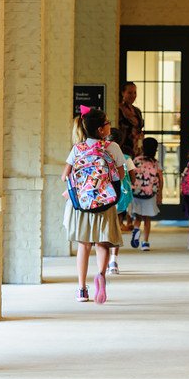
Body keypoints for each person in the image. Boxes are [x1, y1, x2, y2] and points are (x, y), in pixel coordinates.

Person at [61, 108, 125, 303]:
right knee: (102, 242)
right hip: (105, 202)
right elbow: (120, 175)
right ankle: (100, 275)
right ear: (100, 130)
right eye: (107, 123)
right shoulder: (112, 147)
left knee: (84, 245)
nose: (109, 125)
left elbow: (65, 176)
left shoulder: (77, 149)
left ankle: (81, 289)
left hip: (82, 203)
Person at [107, 127, 135, 275]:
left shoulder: (102, 154)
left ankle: (104, 260)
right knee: (116, 227)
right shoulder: (126, 157)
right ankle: (113, 260)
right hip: (120, 196)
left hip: (104, 196)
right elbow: (132, 175)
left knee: (106, 228)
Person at [130, 136, 163, 251]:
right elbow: (160, 178)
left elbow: (131, 175)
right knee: (147, 219)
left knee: (138, 217)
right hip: (150, 194)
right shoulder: (155, 163)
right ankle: (145, 243)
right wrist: (160, 194)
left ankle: (136, 229)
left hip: (137, 192)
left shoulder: (137, 160)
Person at [119, 81, 144, 157]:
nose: (133, 95)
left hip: (137, 147)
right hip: (124, 148)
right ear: (123, 93)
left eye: (134, 93)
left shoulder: (137, 111)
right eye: (130, 93)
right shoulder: (118, 110)